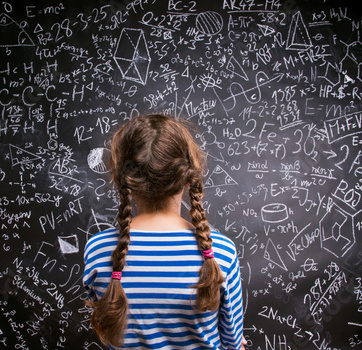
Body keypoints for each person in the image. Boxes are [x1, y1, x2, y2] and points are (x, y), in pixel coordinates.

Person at [83, 114, 245, 349]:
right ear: (189, 177)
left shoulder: (98, 250)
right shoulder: (220, 251)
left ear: (123, 180)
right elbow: (232, 342)